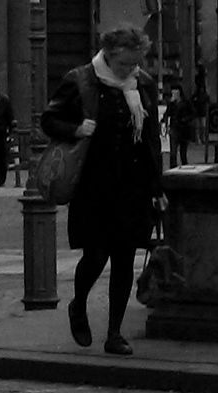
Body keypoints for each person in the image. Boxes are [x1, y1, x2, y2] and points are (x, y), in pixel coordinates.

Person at [44, 24, 163, 359]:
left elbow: (151, 138)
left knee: (124, 259)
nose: (131, 70)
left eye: (135, 63)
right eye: (125, 64)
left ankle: (114, 332)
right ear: (109, 56)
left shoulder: (144, 85)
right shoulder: (80, 80)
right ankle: (78, 304)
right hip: (94, 185)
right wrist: (76, 128)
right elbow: (49, 120)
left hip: (132, 186)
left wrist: (158, 186)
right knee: (95, 256)